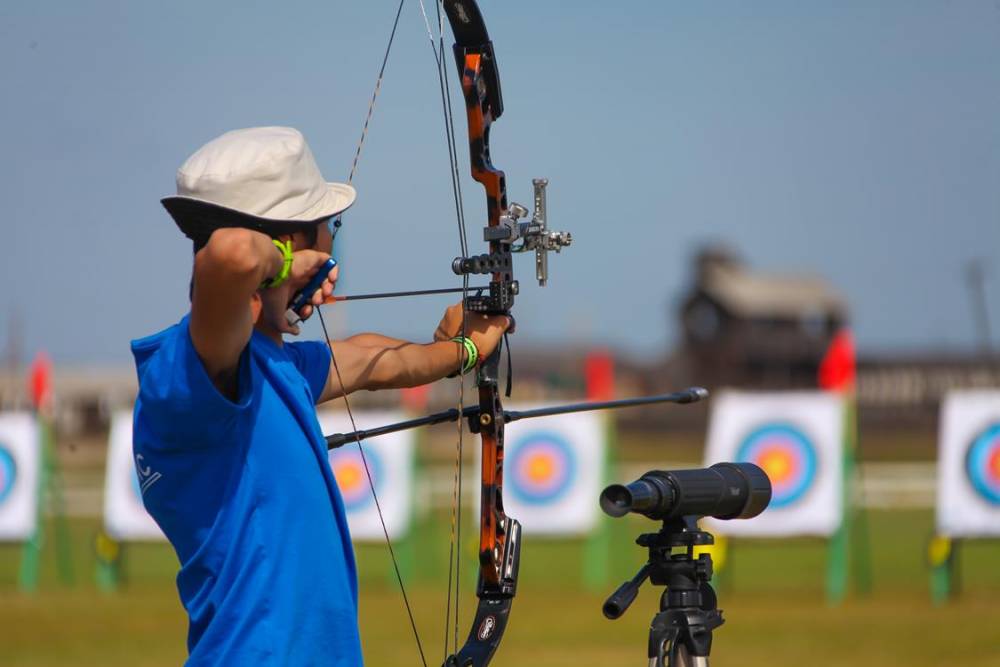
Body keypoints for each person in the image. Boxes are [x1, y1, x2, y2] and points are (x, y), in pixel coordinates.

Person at [131, 126, 509, 665]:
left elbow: (374, 360)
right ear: (288, 244)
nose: (332, 254)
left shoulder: (273, 366)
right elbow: (231, 255)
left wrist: (463, 349)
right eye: (327, 231)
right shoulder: (187, 376)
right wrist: (287, 266)